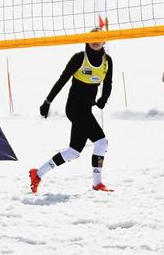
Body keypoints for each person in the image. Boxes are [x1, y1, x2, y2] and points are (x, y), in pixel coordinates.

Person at [29, 27, 114, 194]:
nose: (95, 41)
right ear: (86, 40)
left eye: (99, 37)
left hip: (86, 110)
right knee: (101, 143)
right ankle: (97, 184)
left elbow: (108, 83)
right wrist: (47, 101)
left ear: (104, 41)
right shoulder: (79, 58)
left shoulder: (107, 60)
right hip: (74, 108)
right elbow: (62, 80)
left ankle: (37, 174)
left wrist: (104, 98)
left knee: (73, 152)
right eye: (92, 37)